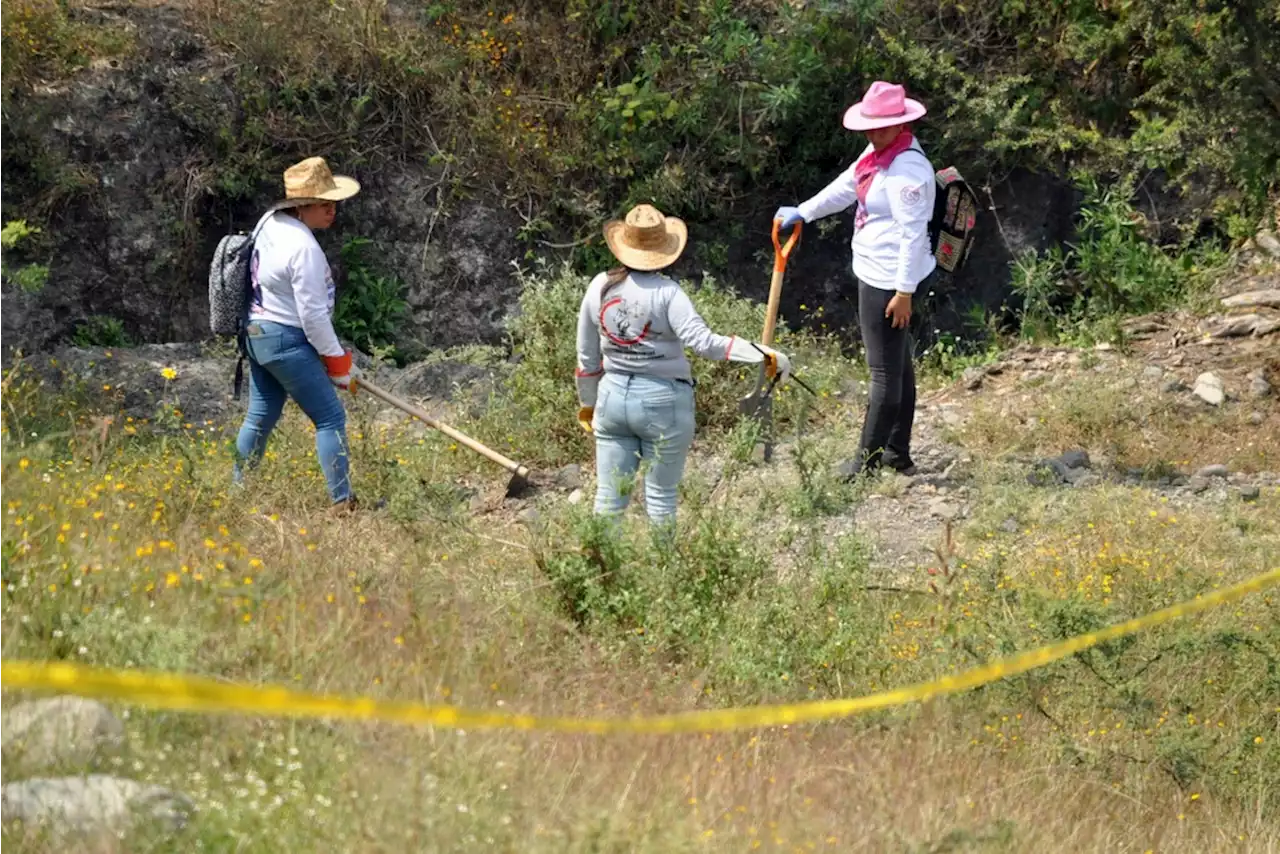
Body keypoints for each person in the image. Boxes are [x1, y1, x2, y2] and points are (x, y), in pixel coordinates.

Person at [575, 204, 793, 529]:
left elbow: (586, 357)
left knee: (608, 498)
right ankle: (667, 575)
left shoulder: (599, 286)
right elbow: (704, 343)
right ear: (664, 249)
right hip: (662, 402)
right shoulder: (668, 294)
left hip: (611, 399)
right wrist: (760, 353)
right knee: (661, 498)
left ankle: (600, 574)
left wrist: (588, 404)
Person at [775, 81, 936, 480]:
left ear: (901, 125)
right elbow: (847, 186)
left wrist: (903, 292)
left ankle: (865, 464)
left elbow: (913, 235)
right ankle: (897, 453)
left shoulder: (907, 171)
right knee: (898, 366)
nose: (872, 133)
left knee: (884, 372)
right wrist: (804, 212)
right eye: (870, 126)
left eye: (881, 126)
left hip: (890, 280)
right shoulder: (878, 154)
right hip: (876, 270)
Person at [233, 156, 362, 513]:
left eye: (334, 202)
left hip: (256, 334)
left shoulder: (270, 222)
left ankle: (237, 494)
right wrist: (337, 362)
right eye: (323, 204)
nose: (332, 210)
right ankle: (341, 502)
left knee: (260, 415)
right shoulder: (304, 249)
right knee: (330, 418)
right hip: (284, 339)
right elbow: (314, 318)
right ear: (301, 206)